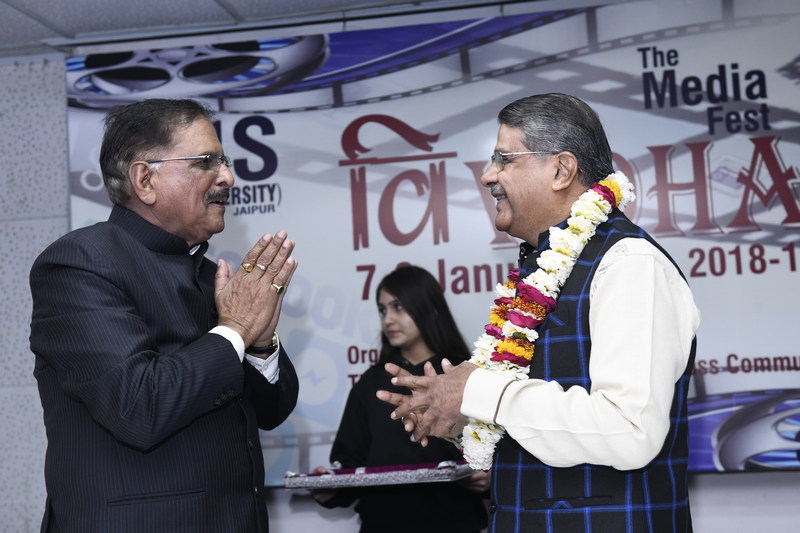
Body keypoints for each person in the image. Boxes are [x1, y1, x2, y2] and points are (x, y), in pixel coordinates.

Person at [378, 93, 700, 532]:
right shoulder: (541, 269)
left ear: (561, 170)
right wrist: (458, 415)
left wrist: (480, 391)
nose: (488, 175)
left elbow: (630, 431)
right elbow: (541, 425)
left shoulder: (629, 264)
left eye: (504, 159)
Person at [30, 98, 299, 533]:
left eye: (224, 161)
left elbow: (270, 412)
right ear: (145, 180)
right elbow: (140, 407)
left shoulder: (211, 276)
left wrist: (260, 343)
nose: (228, 177)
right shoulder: (80, 263)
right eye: (206, 162)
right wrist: (235, 329)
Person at [313, 265, 488, 533]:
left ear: (430, 308)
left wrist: (489, 479)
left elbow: (496, 451)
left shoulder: (465, 374)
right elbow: (350, 465)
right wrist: (329, 489)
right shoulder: (371, 383)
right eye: (382, 310)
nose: (388, 320)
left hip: (454, 522)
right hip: (382, 522)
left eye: (398, 307)